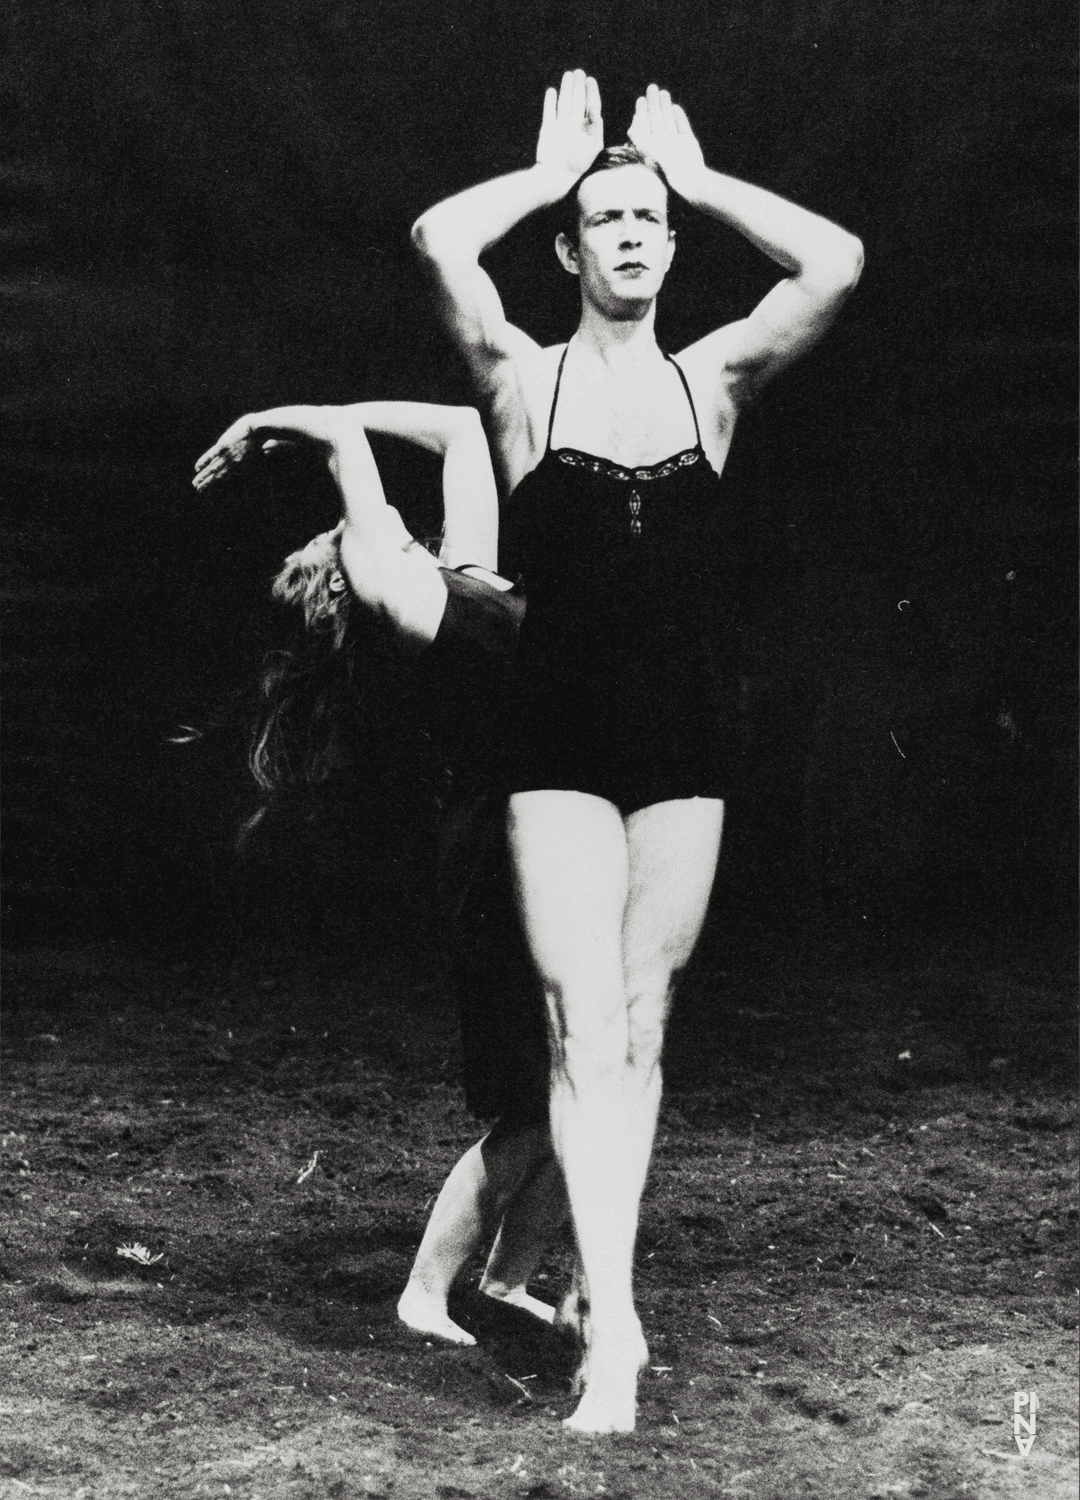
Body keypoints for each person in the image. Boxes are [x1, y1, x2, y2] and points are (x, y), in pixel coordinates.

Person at [411, 72, 864, 1432]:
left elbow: (836, 262)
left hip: (684, 743)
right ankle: (612, 1331)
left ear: (671, 246)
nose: (626, 236)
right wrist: (547, 174)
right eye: (602, 219)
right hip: (554, 745)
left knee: (644, 1026)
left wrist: (702, 175)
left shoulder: (710, 379)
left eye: (645, 221)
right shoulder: (519, 379)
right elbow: (439, 240)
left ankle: (612, 1317)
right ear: (567, 244)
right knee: (577, 1027)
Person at [193, 401, 567, 1343]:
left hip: (552, 831)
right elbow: (348, 449)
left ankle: (508, 1279)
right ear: (352, 571)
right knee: (531, 1100)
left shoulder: (461, 576)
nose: (386, 518)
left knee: (587, 1083)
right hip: (502, 853)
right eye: (356, 527)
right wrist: (270, 422)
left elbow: (457, 430)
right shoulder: (408, 595)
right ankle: (424, 1295)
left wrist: (315, 421)